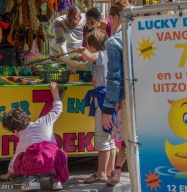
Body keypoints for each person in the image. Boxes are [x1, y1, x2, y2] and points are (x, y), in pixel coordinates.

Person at [55, 29, 116, 184]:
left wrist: (83, 50)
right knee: (109, 139)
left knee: (103, 138)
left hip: (104, 101)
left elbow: (87, 56)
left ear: (93, 46)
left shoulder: (102, 55)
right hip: (104, 100)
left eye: (88, 44)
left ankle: (101, 173)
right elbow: (80, 65)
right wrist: (63, 58)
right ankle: (109, 172)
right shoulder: (98, 58)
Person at [0, 82, 69, 191]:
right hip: (52, 161)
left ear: (15, 130)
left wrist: (8, 174)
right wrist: (55, 93)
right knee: (56, 153)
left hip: (36, 165)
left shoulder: (22, 139)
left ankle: (32, 181)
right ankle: (56, 181)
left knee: (23, 157)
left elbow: (14, 160)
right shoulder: (44, 121)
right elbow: (58, 109)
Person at [100, 1, 132, 186]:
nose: (110, 25)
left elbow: (114, 77)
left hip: (128, 99)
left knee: (131, 143)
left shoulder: (114, 42)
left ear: (116, 18)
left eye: (110, 20)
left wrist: (108, 108)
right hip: (148, 97)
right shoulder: (145, 36)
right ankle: (118, 171)